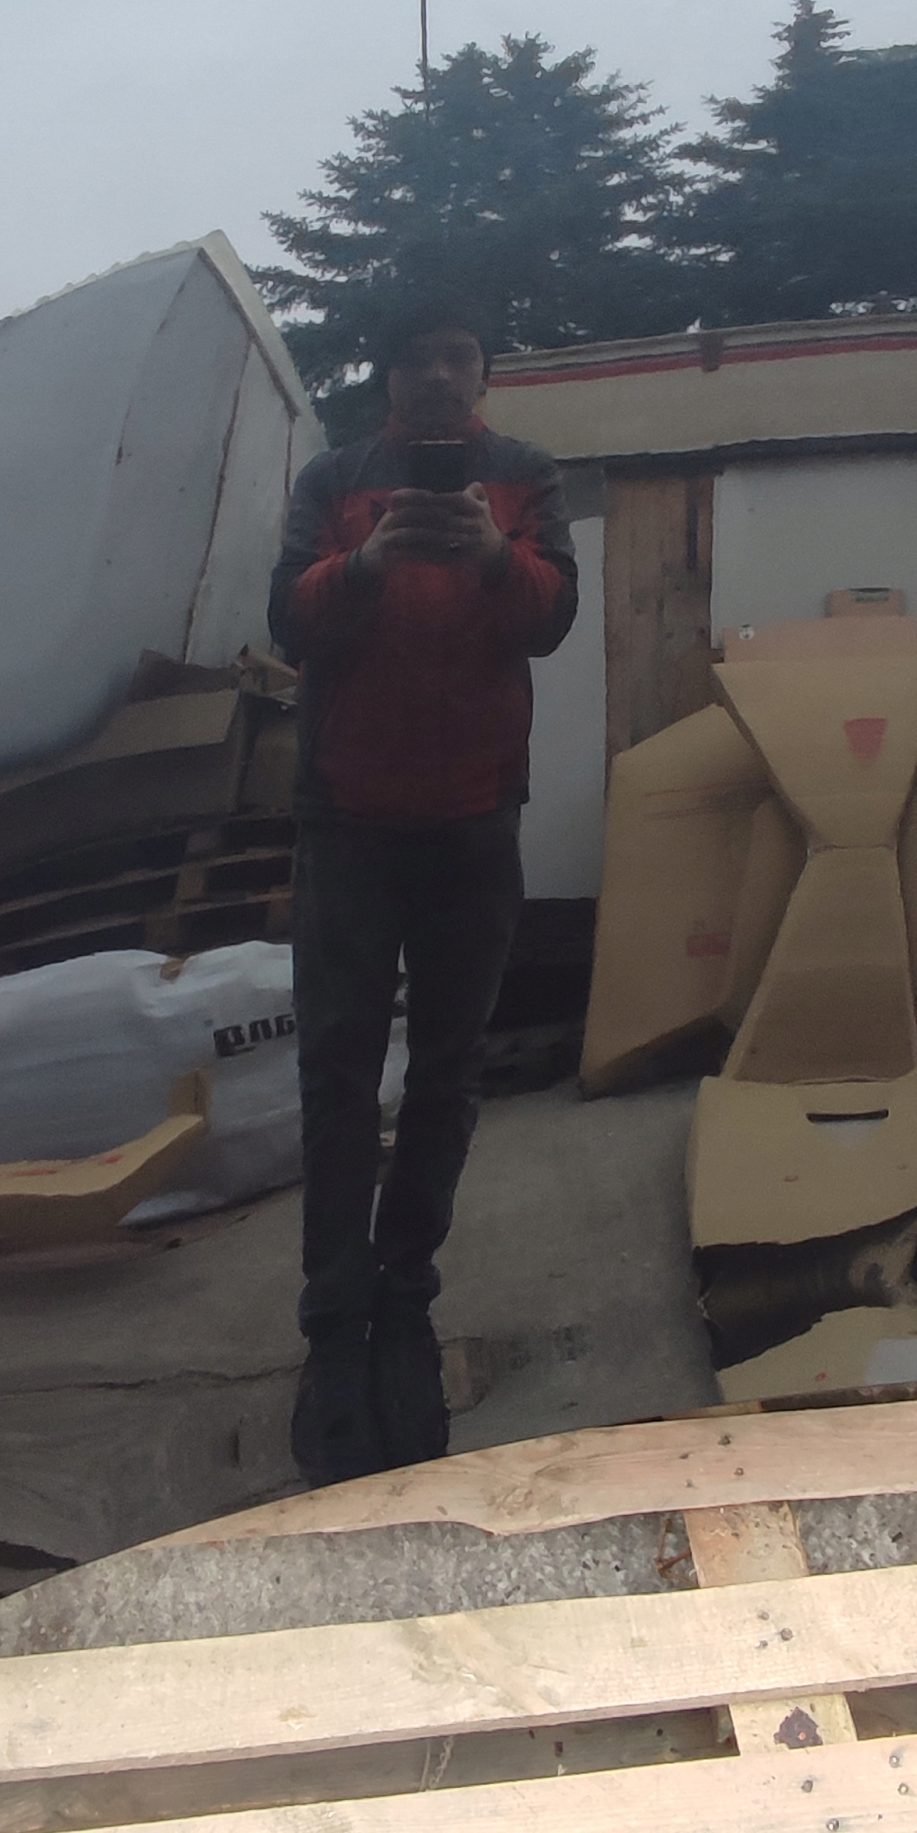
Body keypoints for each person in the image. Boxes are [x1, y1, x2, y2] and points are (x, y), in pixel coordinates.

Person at [268, 297, 578, 1485]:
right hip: (347, 821)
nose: (439, 376)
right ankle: (331, 1329)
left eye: (458, 356)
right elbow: (287, 620)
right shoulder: (334, 480)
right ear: (387, 378)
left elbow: (554, 618)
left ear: (482, 372)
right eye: (416, 359)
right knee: (338, 1078)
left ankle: (406, 1299)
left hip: (474, 820)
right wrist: (366, 562)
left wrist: (495, 555)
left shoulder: (526, 475)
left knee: (449, 1074)